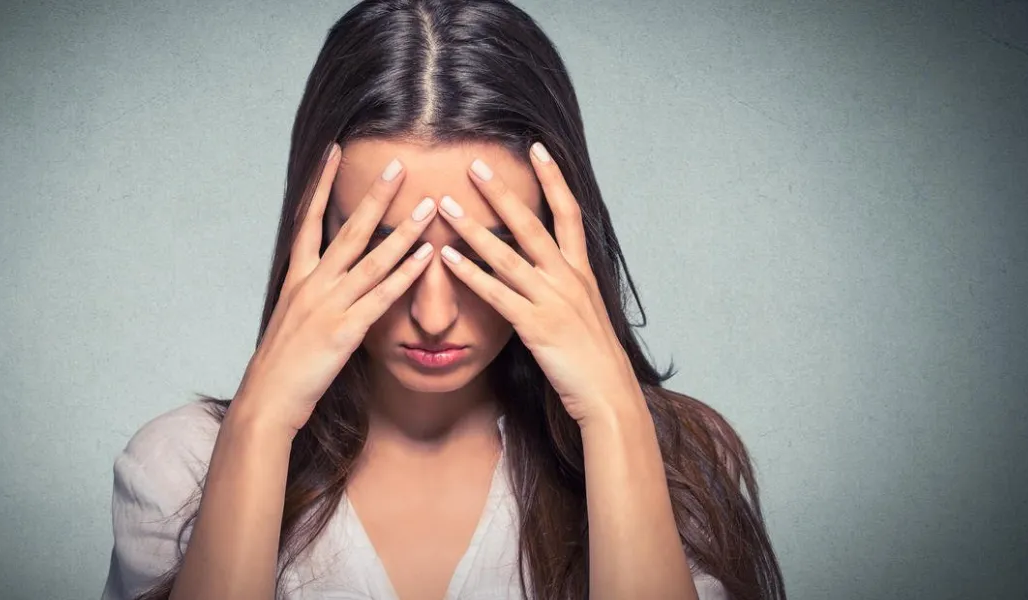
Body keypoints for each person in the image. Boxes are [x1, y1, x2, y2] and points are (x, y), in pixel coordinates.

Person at [101, 0, 786, 598]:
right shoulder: (180, 466)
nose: (433, 316)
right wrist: (260, 426)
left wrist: (613, 416)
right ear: (312, 235)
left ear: (556, 234)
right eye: (387, 250)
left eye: (483, 254)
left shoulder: (679, 463)